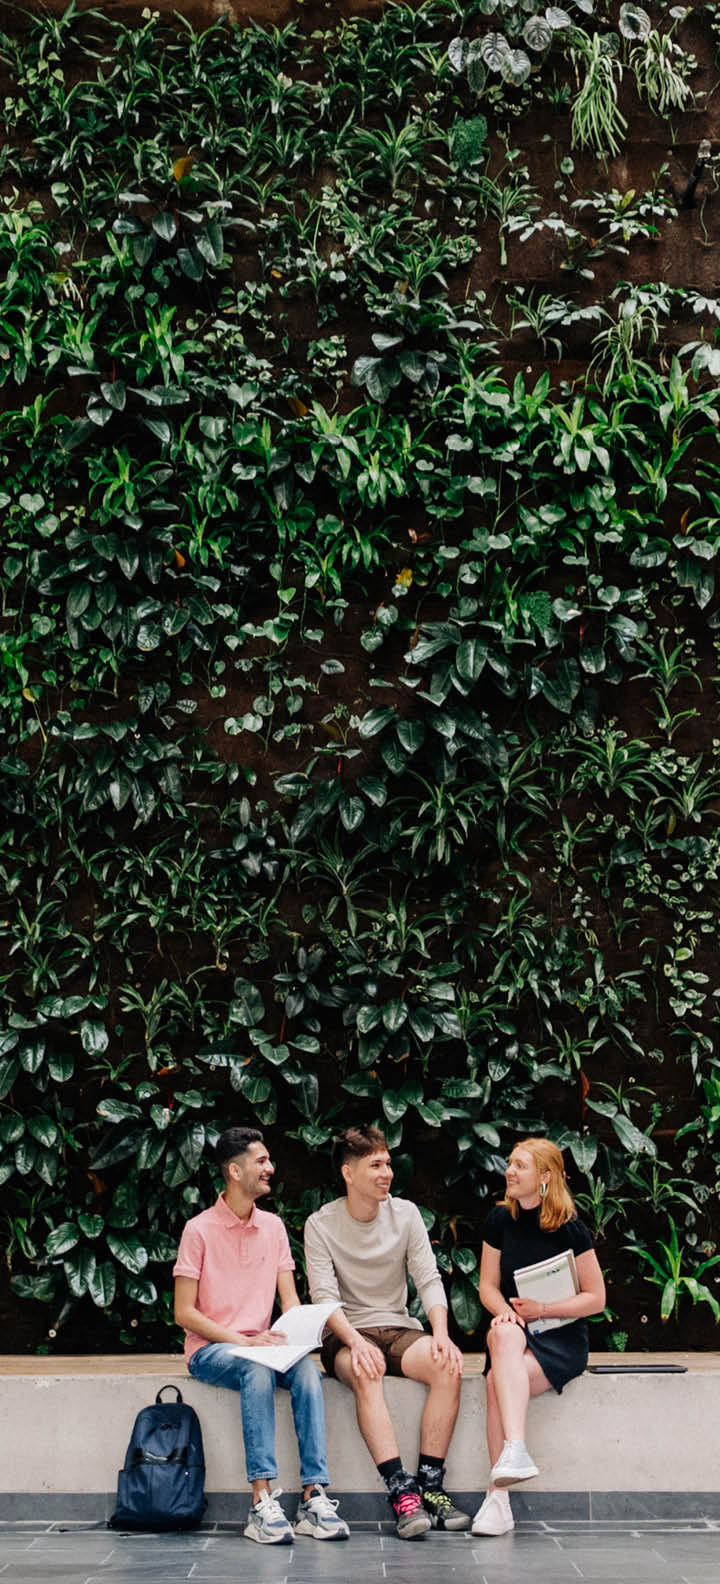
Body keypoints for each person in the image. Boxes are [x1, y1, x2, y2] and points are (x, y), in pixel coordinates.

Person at [173, 1126, 349, 1545]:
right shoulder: (198, 1230)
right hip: (212, 1350)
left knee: (307, 1373)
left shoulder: (273, 1227)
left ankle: (313, 1497)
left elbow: (289, 1300)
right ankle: (261, 1501)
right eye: (261, 1161)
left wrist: (296, 1335)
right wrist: (243, 1341)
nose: (271, 1168)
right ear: (235, 1171)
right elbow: (184, 1313)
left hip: (263, 1345)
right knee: (255, 1370)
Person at [304, 1124, 470, 1540]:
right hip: (347, 1333)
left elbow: (428, 1278)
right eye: (375, 1165)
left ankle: (430, 1486)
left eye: (388, 1164)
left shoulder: (406, 1214)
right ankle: (402, 1493)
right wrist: (355, 1342)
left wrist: (441, 1332)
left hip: (398, 1328)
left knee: (447, 1366)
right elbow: (324, 1299)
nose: (387, 1173)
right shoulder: (320, 1224)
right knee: (367, 1369)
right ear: (348, 1173)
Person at [471, 1136, 606, 1537]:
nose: (509, 1171)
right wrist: (507, 1313)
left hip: (559, 1338)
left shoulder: (571, 1228)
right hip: (516, 1328)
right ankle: (515, 1450)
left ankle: (498, 1499)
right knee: (503, 1336)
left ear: (545, 1177)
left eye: (520, 1166)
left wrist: (543, 1309)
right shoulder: (499, 1220)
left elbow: (596, 1298)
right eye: (510, 1163)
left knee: (496, 1382)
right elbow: (487, 1287)